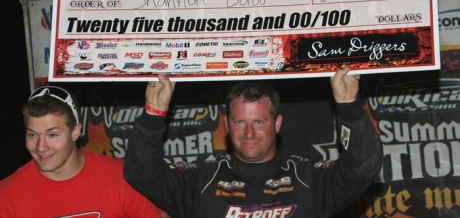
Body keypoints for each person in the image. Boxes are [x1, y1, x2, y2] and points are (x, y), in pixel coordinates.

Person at [124, 68, 383, 217]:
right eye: (240, 122)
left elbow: (362, 168)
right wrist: (153, 115)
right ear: (226, 125)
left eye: (258, 122)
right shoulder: (202, 179)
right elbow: (143, 174)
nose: (249, 133)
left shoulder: (307, 178)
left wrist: (349, 109)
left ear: (277, 123)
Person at [0, 86, 163, 217]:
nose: (41, 147)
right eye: (32, 134)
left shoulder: (122, 177)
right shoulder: (7, 195)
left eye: (52, 134)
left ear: (75, 132)